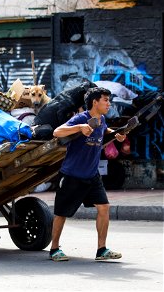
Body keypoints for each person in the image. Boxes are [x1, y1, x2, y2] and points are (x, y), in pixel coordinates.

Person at [50, 87, 126, 262]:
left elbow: (104, 129)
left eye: (108, 100)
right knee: (61, 213)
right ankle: (54, 249)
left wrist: (115, 134)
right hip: (72, 174)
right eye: (105, 100)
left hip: (92, 175)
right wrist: (79, 127)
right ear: (95, 102)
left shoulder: (101, 119)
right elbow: (57, 132)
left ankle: (102, 250)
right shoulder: (81, 118)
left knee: (104, 207)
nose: (109, 103)